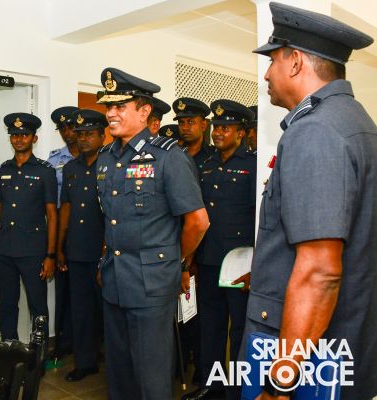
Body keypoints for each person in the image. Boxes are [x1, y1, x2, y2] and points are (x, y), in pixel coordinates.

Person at [242, 3, 377, 400]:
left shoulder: (316, 131)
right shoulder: (358, 124)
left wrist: (279, 383)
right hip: (343, 343)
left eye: (272, 60)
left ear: (295, 62)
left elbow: (320, 272)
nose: (266, 74)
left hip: (302, 357)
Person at [95, 67, 209, 400]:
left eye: (120, 106)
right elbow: (112, 220)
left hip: (152, 284)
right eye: (109, 106)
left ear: (145, 111)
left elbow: (198, 222)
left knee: (151, 376)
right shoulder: (106, 158)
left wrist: (175, 261)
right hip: (114, 280)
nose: (111, 113)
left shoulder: (168, 157)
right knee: (119, 373)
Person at [183, 100, 256, 400]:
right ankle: (211, 386)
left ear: (241, 132)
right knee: (210, 327)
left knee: (239, 330)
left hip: (240, 264)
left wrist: (257, 265)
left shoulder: (252, 165)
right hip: (209, 259)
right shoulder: (207, 164)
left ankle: (237, 391)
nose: (219, 132)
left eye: (227, 128)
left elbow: (260, 218)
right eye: (217, 127)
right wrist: (192, 259)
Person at [0, 112, 57, 348]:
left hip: (32, 251)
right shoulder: (2, 171)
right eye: (14, 135)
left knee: (38, 307)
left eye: (24, 135)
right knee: (7, 304)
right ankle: (10, 352)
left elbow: (52, 215)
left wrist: (50, 255)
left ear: (34, 138)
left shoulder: (45, 171)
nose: (19, 139)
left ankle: (39, 355)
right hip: (3, 250)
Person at [57, 109, 107, 382]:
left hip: (105, 251)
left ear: (102, 136)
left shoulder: (112, 165)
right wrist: (60, 247)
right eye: (80, 134)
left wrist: (107, 250)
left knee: (108, 311)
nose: (83, 138)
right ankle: (85, 362)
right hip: (76, 249)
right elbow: (66, 207)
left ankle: (115, 365)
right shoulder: (71, 168)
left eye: (89, 133)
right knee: (81, 310)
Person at [47, 106, 78, 359]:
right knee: (64, 290)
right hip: (61, 227)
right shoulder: (54, 160)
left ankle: (89, 343)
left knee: (89, 289)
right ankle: (63, 342)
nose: (68, 132)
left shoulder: (100, 156)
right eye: (63, 129)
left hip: (90, 228)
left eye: (71, 127)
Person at [173, 97, 214, 172]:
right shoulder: (172, 153)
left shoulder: (215, 155)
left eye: (190, 122)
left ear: (203, 125)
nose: (185, 128)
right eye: (181, 122)